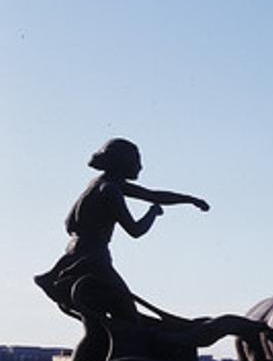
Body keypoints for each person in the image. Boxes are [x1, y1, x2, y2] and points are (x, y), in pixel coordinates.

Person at [34, 138, 209, 322]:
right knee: (128, 316)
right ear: (123, 163)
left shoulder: (100, 184)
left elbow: (152, 194)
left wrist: (190, 200)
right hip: (93, 260)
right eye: (137, 161)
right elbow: (135, 230)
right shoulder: (110, 190)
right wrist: (152, 213)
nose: (140, 167)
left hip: (79, 254)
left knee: (116, 318)